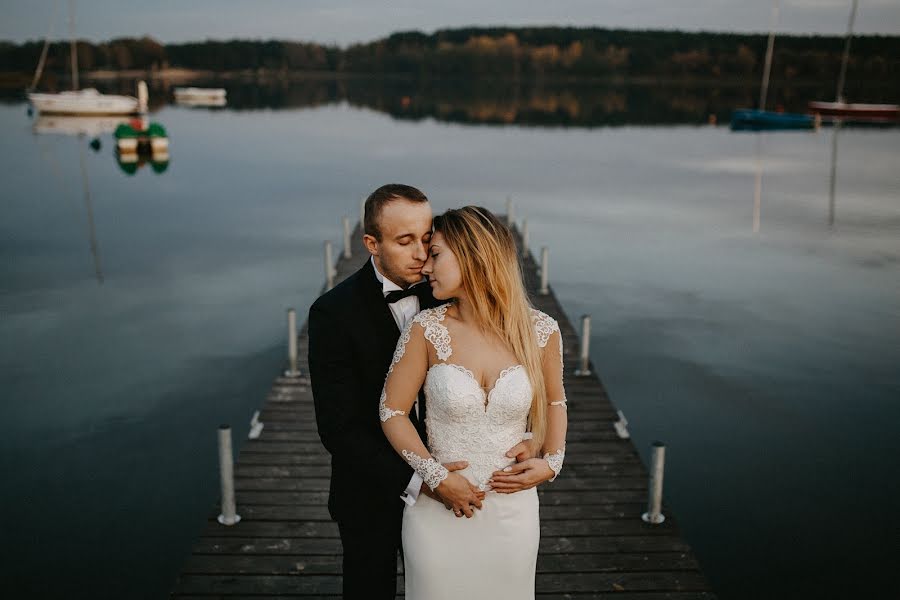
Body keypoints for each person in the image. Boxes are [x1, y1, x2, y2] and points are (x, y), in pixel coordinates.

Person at [308, 186, 528, 599]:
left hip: (462, 485)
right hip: (373, 491)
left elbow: (503, 367)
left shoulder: (449, 287)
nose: (420, 254)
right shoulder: (333, 314)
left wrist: (527, 438)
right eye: (404, 241)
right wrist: (424, 480)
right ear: (371, 243)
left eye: (427, 239)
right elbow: (338, 429)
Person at [380, 206, 569, 599]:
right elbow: (392, 411)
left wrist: (551, 462)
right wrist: (434, 476)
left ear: (472, 256)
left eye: (436, 254)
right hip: (438, 511)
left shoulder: (541, 330)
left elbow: (555, 403)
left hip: (512, 514)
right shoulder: (425, 329)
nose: (425, 266)